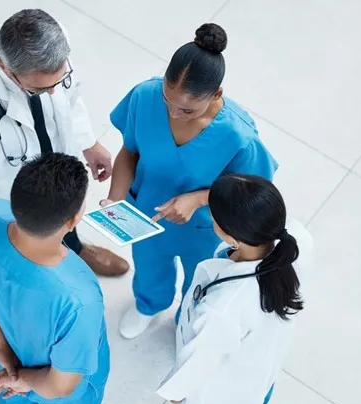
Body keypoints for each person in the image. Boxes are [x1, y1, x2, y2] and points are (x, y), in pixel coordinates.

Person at [104, 23, 278, 339]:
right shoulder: (145, 97)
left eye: (186, 109)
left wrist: (198, 198)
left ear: (216, 95)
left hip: (203, 226)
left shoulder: (238, 136)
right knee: (148, 265)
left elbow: (250, 195)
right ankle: (149, 304)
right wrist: (116, 198)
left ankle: (187, 319)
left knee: (199, 279)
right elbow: (129, 152)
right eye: (168, 100)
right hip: (144, 210)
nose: (173, 113)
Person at [0, 8, 129, 277]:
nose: (52, 91)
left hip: (53, 164)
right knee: (32, 250)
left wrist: (88, 142)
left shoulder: (53, 43)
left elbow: (71, 95)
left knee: (63, 211)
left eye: (57, 81)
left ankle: (74, 247)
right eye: (39, 89)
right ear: (5, 68)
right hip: (13, 205)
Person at [0, 152, 110, 404]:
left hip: (12, 361)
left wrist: (0, 346)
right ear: (72, 220)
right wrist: (21, 380)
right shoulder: (79, 298)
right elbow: (61, 386)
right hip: (65, 399)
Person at [156, 174, 313, 404]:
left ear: (232, 238)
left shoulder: (224, 308)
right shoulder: (293, 239)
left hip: (222, 399)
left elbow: (198, 364)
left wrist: (177, 391)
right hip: (259, 373)